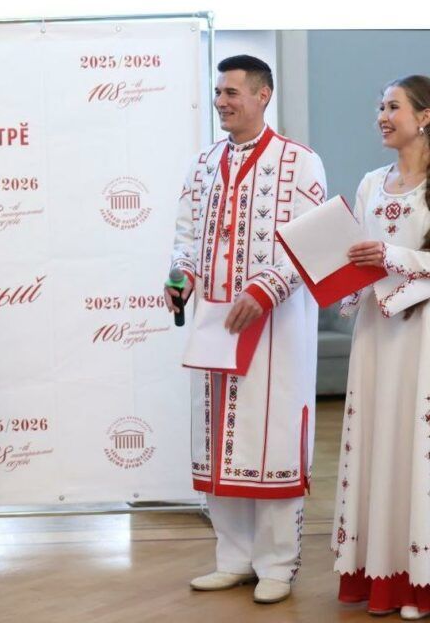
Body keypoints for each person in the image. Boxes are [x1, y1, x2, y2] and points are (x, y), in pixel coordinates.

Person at [165, 54, 327, 604]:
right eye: (218, 92)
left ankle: (277, 565)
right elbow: (186, 234)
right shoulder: (202, 164)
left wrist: (266, 289)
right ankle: (232, 558)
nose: (221, 102)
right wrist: (181, 275)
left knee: (272, 440)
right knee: (218, 443)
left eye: (232, 92)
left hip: (277, 332)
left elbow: (310, 241)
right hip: (214, 326)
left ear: (263, 95)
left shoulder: (301, 162)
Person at [331, 75, 430, 621]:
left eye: (393, 107)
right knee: (378, 442)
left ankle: (419, 581)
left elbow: (394, 255)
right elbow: (354, 257)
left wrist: (393, 256)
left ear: (425, 116)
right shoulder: (371, 183)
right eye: (379, 107)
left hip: (422, 334)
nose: (382, 117)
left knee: (416, 444)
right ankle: (380, 576)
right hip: (375, 331)